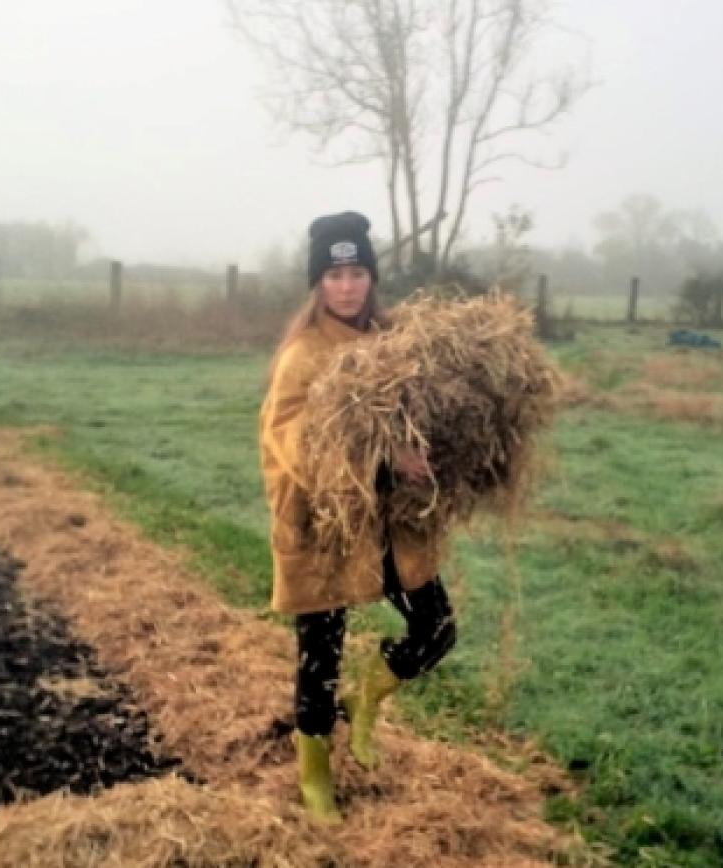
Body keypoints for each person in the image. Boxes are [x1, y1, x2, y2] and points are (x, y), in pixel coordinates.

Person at [257, 211, 457, 825]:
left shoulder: (393, 343)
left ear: (371, 277)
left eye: (357, 272)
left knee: (437, 628)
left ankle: (367, 698)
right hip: (325, 523)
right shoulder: (303, 356)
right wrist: (381, 454)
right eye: (335, 273)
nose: (347, 285)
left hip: (392, 524)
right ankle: (315, 772)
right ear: (318, 283)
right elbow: (293, 442)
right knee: (320, 657)